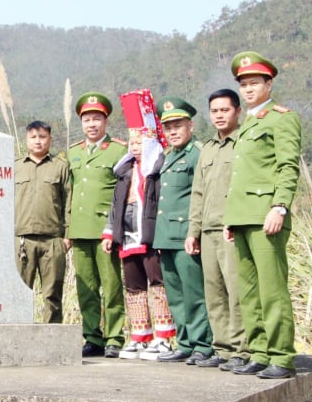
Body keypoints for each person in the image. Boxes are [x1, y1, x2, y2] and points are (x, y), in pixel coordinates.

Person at [224, 52, 302, 379]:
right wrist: (232, 218)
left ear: (269, 84)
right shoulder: (249, 124)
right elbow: (242, 176)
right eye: (244, 84)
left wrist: (279, 206)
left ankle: (281, 356)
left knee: (272, 290)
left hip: (266, 216)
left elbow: (288, 166)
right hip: (243, 217)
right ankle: (258, 351)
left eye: (255, 83)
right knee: (249, 292)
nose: (249, 89)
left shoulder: (281, 118)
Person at [101, 96, 176, 360]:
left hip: (150, 234)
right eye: (131, 143)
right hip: (128, 233)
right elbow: (115, 205)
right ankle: (139, 337)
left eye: (140, 142)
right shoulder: (124, 172)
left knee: (157, 283)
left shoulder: (156, 168)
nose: (134, 147)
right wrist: (110, 231)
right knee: (133, 287)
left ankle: (164, 337)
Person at [185, 89, 251, 371]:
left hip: (231, 229)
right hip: (208, 230)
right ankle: (222, 348)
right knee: (214, 292)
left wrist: (237, 219)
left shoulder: (244, 143)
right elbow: (198, 192)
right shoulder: (208, 148)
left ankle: (242, 349)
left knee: (237, 291)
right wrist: (193, 231)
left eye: (225, 110)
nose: (220, 115)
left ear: (238, 111)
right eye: (215, 111)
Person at [152, 97, 214, 364]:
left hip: (187, 236)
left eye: (178, 125)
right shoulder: (169, 155)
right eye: (168, 127)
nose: (173, 132)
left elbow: (202, 195)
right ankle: (185, 343)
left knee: (194, 293)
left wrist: (195, 232)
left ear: (190, 125)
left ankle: (203, 344)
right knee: (175, 295)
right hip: (166, 235)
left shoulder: (198, 153)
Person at [67, 92, 127, 358]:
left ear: (106, 121)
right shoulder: (72, 153)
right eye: (87, 119)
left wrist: (114, 228)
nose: (91, 124)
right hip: (79, 230)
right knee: (86, 287)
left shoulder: (118, 150)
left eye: (96, 119)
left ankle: (114, 336)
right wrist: (67, 230)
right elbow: (69, 193)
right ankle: (92, 336)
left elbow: (123, 193)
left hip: (105, 230)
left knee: (111, 285)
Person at [14, 121, 71, 324]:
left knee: (52, 293)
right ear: (26, 139)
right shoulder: (15, 167)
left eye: (42, 137)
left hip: (53, 240)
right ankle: (18, 337)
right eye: (33, 137)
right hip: (22, 239)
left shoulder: (60, 167)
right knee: (19, 293)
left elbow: (68, 201)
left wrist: (67, 235)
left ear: (50, 139)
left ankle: (52, 340)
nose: (38, 141)